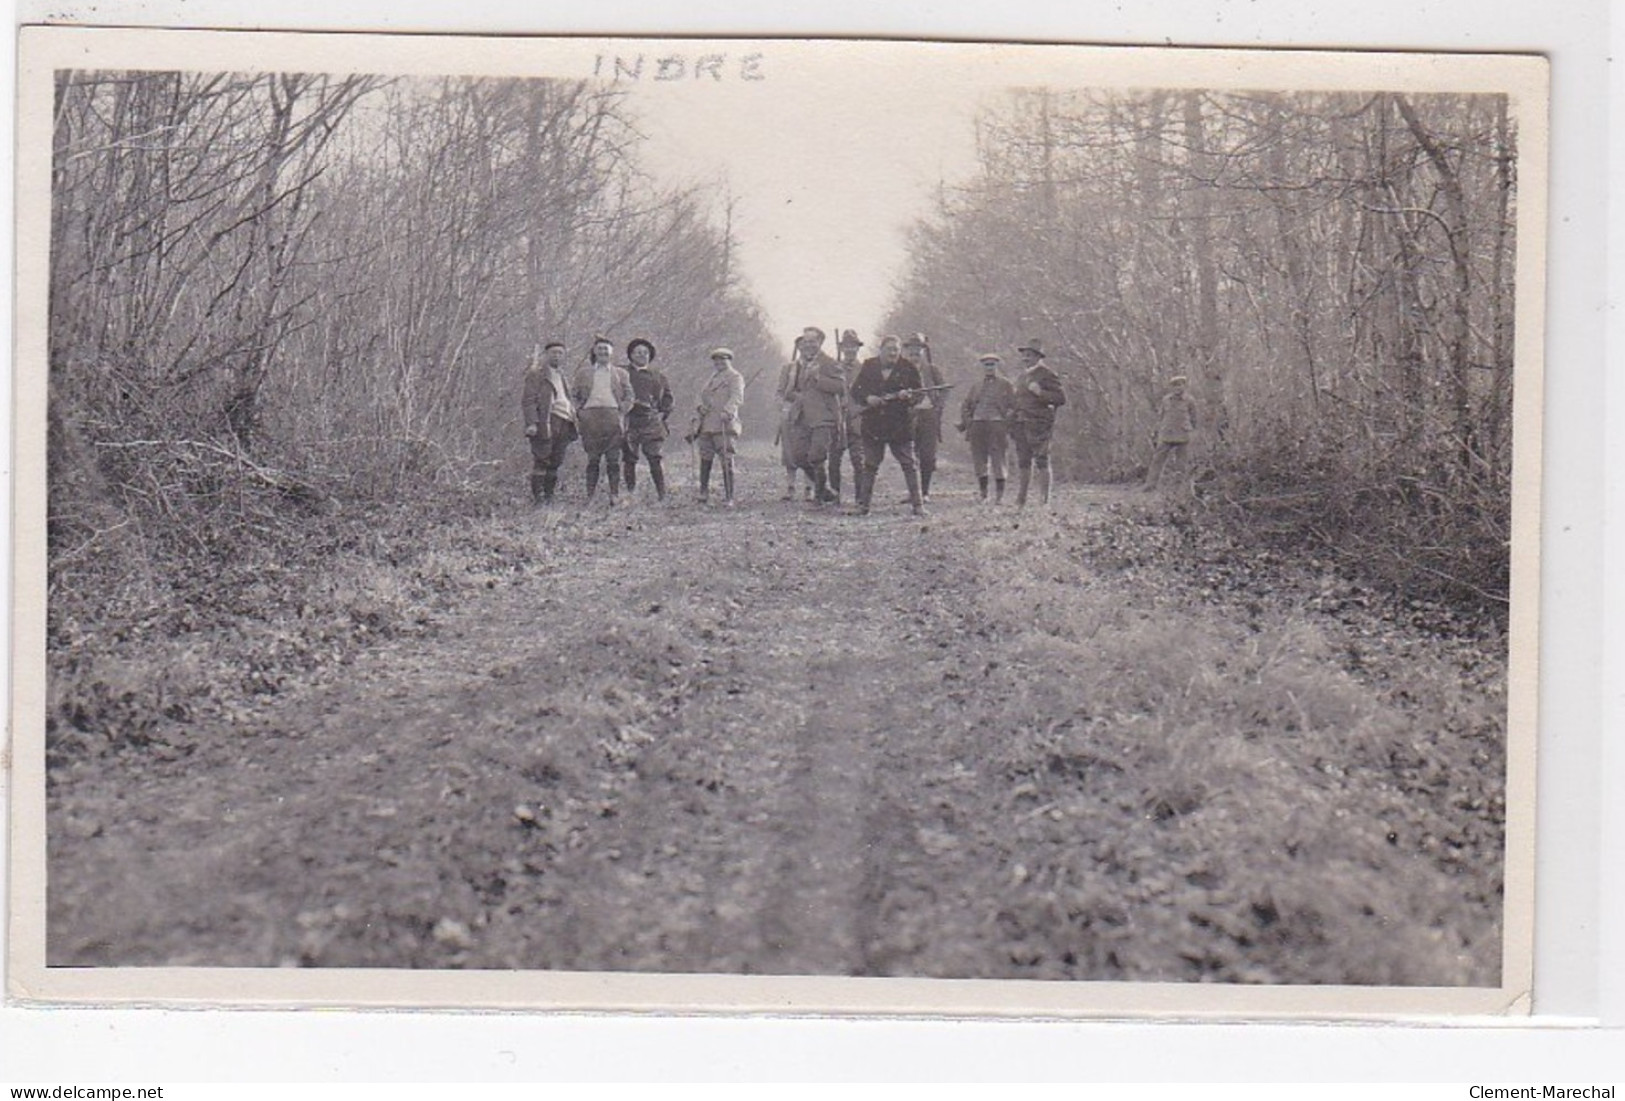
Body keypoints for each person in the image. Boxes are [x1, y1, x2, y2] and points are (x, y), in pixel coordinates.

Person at [848, 334, 926, 516]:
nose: (893, 353)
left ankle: (918, 505)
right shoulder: (869, 366)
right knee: (870, 465)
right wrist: (869, 398)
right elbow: (856, 390)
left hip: (899, 424)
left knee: (909, 464)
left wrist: (909, 397)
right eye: (889, 349)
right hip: (873, 424)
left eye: (896, 350)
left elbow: (919, 394)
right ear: (881, 350)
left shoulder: (909, 368)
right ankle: (863, 506)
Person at [784, 326, 845, 505]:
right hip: (802, 417)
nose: (808, 345)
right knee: (798, 456)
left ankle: (819, 497)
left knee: (817, 456)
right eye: (805, 341)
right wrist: (796, 396)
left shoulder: (830, 363)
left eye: (812, 341)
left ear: (820, 342)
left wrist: (819, 379)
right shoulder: (799, 365)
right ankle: (825, 489)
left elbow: (841, 387)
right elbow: (792, 391)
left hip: (823, 417)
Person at [570, 336, 634, 505]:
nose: (603, 352)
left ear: (611, 352)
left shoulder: (621, 374)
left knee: (613, 459)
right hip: (590, 419)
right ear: (594, 351)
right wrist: (579, 412)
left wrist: (622, 410)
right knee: (593, 459)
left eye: (606, 349)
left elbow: (629, 395)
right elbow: (574, 395)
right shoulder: (583, 373)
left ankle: (614, 494)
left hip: (612, 418)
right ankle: (590, 496)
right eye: (600, 349)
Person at [1010, 338, 1067, 508]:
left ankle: (1044, 500)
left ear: (1038, 357)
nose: (1025, 358)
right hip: (1021, 423)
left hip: (1039, 424)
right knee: (1023, 461)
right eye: (1024, 355)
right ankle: (1021, 499)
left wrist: (1040, 392)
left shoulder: (1047, 375)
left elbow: (1060, 399)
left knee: (1042, 460)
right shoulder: (1021, 376)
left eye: (1029, 355)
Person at [520, 340, 578, 505]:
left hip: (564, 421)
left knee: (556, 461)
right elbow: (528, 401)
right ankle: (538, 499)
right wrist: (532, 423)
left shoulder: (563, 376)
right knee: (542, 459)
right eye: (553, 353)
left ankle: (549, 497)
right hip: (546, 421)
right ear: (546, 355)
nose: (557, 356)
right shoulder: (536, 375)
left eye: (560, 353)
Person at [620, 337, 675, 501]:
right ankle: (631, 493)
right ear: (630, 355)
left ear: (650, 355)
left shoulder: (658, 376)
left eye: (645, 352)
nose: (641, 355)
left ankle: (661, 494)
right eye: (637, 352)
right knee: (629, 458)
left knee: (654, 458)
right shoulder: (622, 373)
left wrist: (663, 413)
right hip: (628, 421)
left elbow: (668, 398)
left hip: (651, 422)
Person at [957, 352, 1015, 503]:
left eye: (992, 364)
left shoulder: (1006, 384)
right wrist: (968, 421)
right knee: (979, 460)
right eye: (986, 365)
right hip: (978, 425)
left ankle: (999, 496)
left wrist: (1006, 422)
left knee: (999, 459)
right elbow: (966, 405)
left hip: (997, 425)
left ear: (997, 365)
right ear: (982, 367)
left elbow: (1014, 405)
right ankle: (983, 494)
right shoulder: (976, 386)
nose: (989, 367)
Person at [692, 347, 745, 508]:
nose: (719, 363)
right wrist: (699, 407)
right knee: (705, 458)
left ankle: (729, 496)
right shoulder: (711, 379)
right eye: (716, 360)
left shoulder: (735, 377)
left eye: (723, 359)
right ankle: (703, 492)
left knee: (726, 459)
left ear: (729, 360)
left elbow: (737, 397)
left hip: (724, 424)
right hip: (707, 424)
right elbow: (700, 396)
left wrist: (728, 411)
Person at [902, 332, 949, 502]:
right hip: (908, 416)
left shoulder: (932, 370)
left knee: (927, 455)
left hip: (929, 415)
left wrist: (938, 406)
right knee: (909, 455)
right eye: (912, 351)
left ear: (923, 351)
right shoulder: (902, 370)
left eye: (918, 351)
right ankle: (913, 492)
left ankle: (925, 492)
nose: (915, 355)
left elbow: (945, 389)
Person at [775, 330, 819, 501]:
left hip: (814, 414)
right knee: (789, 451)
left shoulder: (822, 366)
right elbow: (779, 392)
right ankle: (790, 487)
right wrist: (783, 408)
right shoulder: (789, 368)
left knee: (811, 451)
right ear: (799, 347)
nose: (807, 348)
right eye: (803, 345)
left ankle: (810, 488)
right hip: (792, 414)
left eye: (811, 344)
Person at [1143, 374, 1197, 498]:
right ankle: (1150, 485)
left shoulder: (1190, 400)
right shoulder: (1166, 400)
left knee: (1181, 463)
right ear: (1172, 387)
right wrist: (1157, 430)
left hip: (1183, 434)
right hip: (1166, 434)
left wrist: (1191, 430)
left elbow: (1194, 418)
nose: (1178, 388)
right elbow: (1161, 416)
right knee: (1157, 460)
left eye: (1181, 385)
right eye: (1176, 385)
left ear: (1184, 386)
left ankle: (1179, 488)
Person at [831, 329, 865, 504]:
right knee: (834, 459)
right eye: (846, 346)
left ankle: (861, 497)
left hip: (858, 420)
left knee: (859, 460)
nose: (850, 350)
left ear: (857, 348)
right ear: (842, 349)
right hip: (837, 419)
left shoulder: (865, 369)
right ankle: (834, 494)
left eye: (853, 346)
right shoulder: (834, 368)